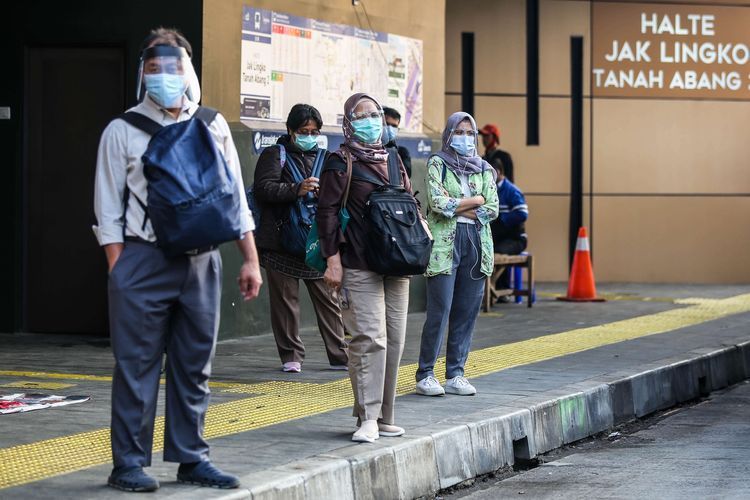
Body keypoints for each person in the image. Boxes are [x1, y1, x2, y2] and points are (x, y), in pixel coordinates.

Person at [93, 28, 262, 492]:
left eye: (174, 66)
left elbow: (234, 200)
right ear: (142, 73)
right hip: (141, 260)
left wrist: (250, 260)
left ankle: (192, 458)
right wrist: (120, 269)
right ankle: (127, 463)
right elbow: (108, 210)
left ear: (188, 71)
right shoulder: (122, 130)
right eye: (155, 67)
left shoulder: (213, 124)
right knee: (136, 366)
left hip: (202, 262)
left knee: (194, 365)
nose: (165, 75)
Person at [317, 93, 413, 443]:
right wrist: (332, 261)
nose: (371, 120)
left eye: (375, 114)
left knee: (395, 341)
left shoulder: (392, 158)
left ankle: (386, 416)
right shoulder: (340, 161)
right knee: (369, 339)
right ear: (348, 121)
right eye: (362, 115)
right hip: (358, 262)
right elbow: (326, 212)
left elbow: (407, 200)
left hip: (397, 260)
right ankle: (367, 417)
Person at [253, 104, 348, 373]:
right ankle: (291, 355)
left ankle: (340, 353)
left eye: (314, 131)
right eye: (303, 131)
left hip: (315, 240)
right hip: (281, 241)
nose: (309, 135)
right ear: (290, 131)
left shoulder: (326, 157)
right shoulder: (275, 155)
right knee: (285, 302)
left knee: (329, 299)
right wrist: (297, 188)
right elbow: (263, 188)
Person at [415, 112, 499, 397]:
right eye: (459, 132)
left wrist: (463, 205)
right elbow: (437, 203)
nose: (464, 138)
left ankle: (456, 373)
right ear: (449, 134)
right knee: (440, 310)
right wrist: (474, 201)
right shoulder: (438, 163)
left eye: (469, 133)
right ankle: (426, 372)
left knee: (467, 312)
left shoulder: (485, 168)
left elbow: (492, 208)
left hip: (477, 242)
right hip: (444, 244)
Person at [490, 161, 529, 298]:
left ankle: (500, 290)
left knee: (497, 251)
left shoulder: (512, 191)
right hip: (498, 237)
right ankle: (491, 290)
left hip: (516, 239)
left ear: (498, 172)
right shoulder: (490, 189)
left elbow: (522, 214)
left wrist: (502, 219)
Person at [382, 106, 412, 178]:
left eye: (394, 126)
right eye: (387, 124)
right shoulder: (369, 150)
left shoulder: (402, 152)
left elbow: (405, 175)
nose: (390, 128)